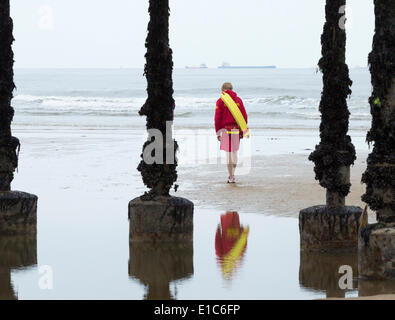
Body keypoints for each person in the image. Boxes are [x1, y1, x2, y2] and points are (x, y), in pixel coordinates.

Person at [215, 82, 248, 183]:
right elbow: (244, 116)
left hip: (225, 130)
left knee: (228, 154)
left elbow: (217, 118)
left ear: (222, 90)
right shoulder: (238, 100)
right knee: (234, 152)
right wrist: (243, 131)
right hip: (236, 129)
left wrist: (218, 132)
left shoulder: (220, 101)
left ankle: (231, 177)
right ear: (232, 89)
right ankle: (233, 172)